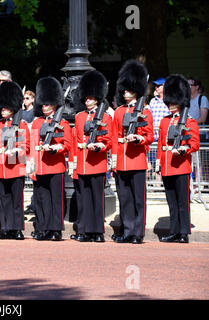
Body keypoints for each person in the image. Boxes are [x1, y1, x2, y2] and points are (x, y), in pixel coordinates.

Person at [112, 60, 154, 244]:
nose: (125, 92)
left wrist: (138, 139)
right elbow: (114, 137)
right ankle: (127, 231)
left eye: (128, 89)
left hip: (137, 159)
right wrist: (113, 161)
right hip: (121, 160)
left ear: (136, 90)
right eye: (124, 89)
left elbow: (150, 136)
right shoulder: (119, 112)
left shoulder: (145, 111)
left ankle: (137, 232)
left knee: (138, 199)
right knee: (125, 198)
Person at [157, 74, 200, 243]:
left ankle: (183, 233)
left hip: (181, 165)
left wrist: (183, 150)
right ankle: (174, 231)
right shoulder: (164, 122)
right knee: (172, 202)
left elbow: (195, 143)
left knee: (183, 201)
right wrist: (160, 165)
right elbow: (161, 144)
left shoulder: (189, 122)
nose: (170, 105)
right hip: (167, 165)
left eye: (173, 102)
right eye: (169, 102)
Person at [72, 70, 113, 243]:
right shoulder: (79, 117)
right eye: (86, 98)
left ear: (97, 98)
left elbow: (109, 140)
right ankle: (84, 230)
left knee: (97, 199)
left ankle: (97, 231)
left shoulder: (104, 117)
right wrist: (73, 164)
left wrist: (99, 146)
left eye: (90, 98)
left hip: (97, 162)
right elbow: (75, 141)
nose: (87, 101)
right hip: (82, 163)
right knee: (84, 200)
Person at [31, 77, 71, 241]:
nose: (44, 107)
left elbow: (67, 144)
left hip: (55, 166)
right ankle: (43, 228)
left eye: (47, 104)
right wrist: (31, 167)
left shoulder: (62, 122)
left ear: (54, 104)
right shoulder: (36, 123)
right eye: (42, 104)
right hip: (40, 166)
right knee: (42, 200)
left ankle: (55, 229)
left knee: (56, 199)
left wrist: (55, 148)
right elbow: (33, 146)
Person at [0, 81, 30, 240]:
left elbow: (25, 146)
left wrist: (14, 151)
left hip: (16, 167)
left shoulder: (21, 124)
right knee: (4, 200)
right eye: (1, 108)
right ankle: (6, 227)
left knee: (17, 200)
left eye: (6, 108)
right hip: (2, 168)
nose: (3, 110)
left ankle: (17, 229)